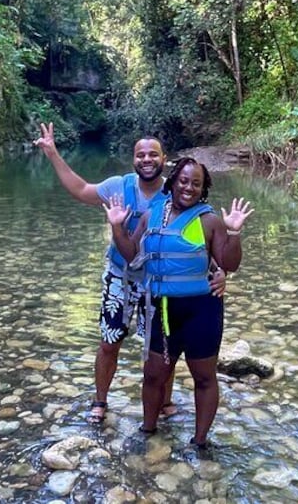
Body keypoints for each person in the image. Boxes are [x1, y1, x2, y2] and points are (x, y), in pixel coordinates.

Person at [33, 123, 225, 423]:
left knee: (164, 350)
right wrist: (53, 153)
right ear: (133, 159)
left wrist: (218, 270)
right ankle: (100, 400)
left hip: (159, 285)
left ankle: (163, 402)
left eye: (153, 154)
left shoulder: (176, 191)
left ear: (164, 159)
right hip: (120, 277)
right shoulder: (117, 187)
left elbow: (197, 239)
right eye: (140, 155)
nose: (146, 160)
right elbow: (82, 190)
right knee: (110, 342)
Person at [104, 157, 253, 448]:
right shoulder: (151, 215)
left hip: (202, 310)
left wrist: (233, 231)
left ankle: (199, 441)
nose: (188, 188)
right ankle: (147, 431)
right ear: (172, 182)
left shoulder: (208, 220)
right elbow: (132, 254)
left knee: (204, 377)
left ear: (203, 188)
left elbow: (229, 263)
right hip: (162, 309)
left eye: (196, 183)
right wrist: (117, 227)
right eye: (183, 181)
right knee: (153, 374)